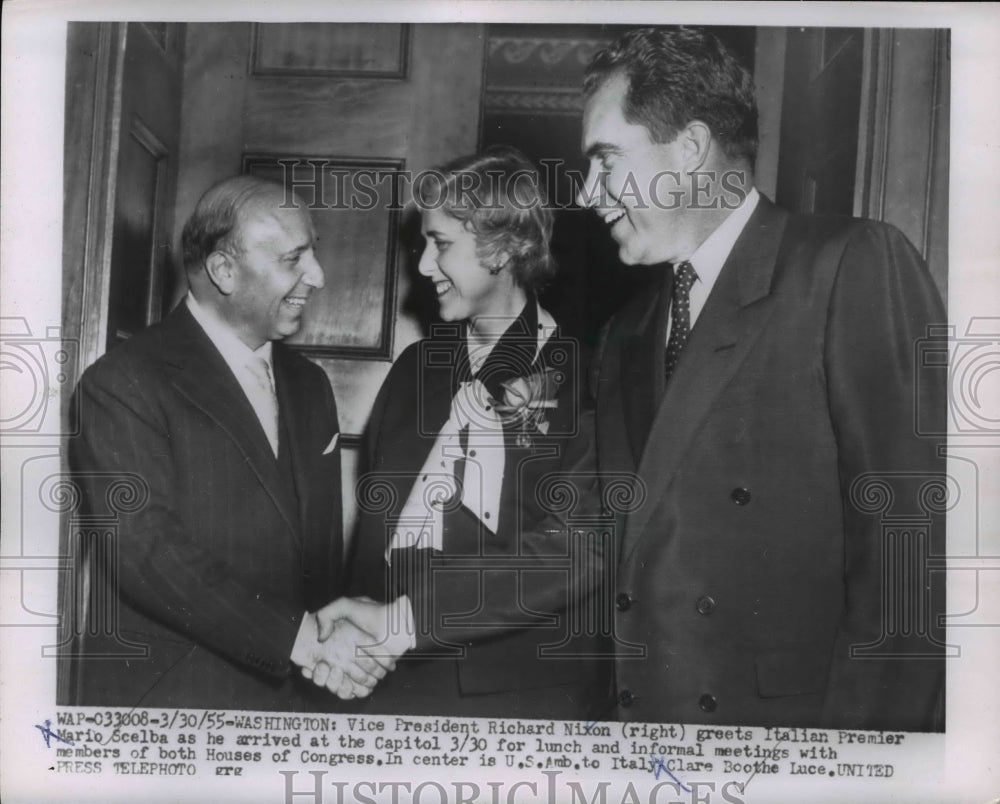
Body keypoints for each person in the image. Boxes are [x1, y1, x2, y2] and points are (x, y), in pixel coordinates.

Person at [570, 27, 947, 729]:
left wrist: (862, 769)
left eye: (606, 162)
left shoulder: (848, 266)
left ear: (688, 149)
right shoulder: (623, 334)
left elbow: (913, 556)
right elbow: (590, 539)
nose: (591, 195)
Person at [67, 176, 389, 710]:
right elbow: (148, 554)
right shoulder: (121, 384)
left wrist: (333, 645)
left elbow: (317, 556)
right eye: (294, 259)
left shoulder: (310, 385)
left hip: (297, 702)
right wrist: (304, 642)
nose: (319, 276)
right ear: (223, 271)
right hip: (176, 706)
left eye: (314, 253)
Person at [322, 148, 609, 718]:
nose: (424, 265)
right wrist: (352, 648)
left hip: (516, 700)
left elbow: (574, 553)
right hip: (387, 683)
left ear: (504, 248)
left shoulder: (589, 381)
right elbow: (374, 536)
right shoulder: (413, 371)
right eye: (424, 243)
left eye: (442, 244)